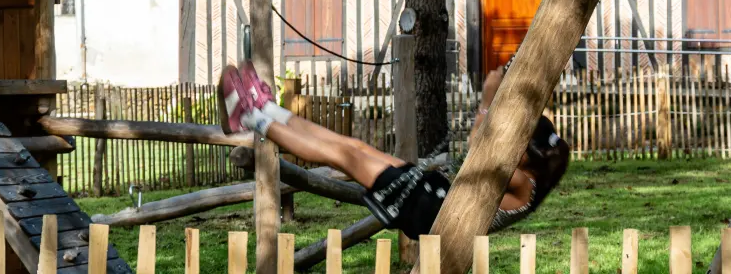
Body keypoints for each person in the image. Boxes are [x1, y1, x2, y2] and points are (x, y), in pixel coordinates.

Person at [216, 61, 569, 239]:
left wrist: (489, 101)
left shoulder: (523, 183)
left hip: (430, 211)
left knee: (343, 155)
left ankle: (251, 117)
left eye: (520, 141)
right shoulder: (526, 177)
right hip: (433, 195)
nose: (511, 141)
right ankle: (267, 109)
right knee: (350, 145)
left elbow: (479, 149)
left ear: (533, 156)